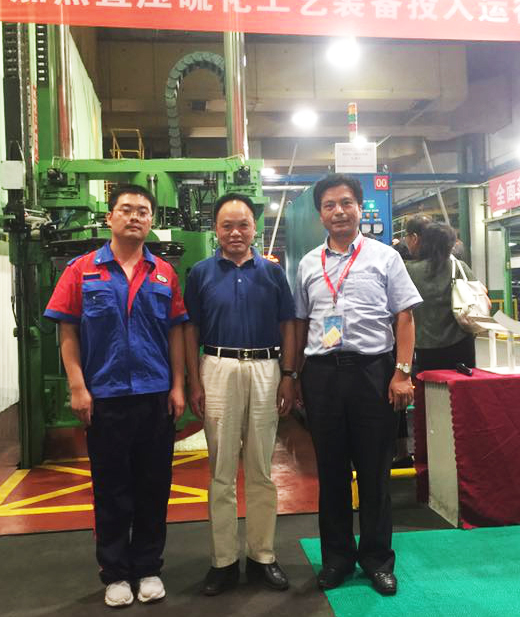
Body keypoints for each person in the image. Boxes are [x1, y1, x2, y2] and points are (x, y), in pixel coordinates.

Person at [44, 184, 187, 608]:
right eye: (126, 209)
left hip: (154, 396)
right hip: (104, 397)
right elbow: (67, 330)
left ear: (151, 220)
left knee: (153, 487)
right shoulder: (82, 270)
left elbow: (176, 333)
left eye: (143, 211)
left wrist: (178, 385)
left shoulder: (164, 273)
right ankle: (116, 573)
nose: (135, 216)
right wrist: (77, 386)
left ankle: (148, 568)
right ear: (110, 217)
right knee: (111, 489)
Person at [294, 174, 422, 595]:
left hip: (373, 373)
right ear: (320, 214)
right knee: (330, 472)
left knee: (374, 472)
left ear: (359, 208)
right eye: (330, 205)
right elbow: (301, 323)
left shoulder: (385, 257)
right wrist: (294, 377)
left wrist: (402, 372)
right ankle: (336, 560)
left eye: (346, 203)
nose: (339, 211)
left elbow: (405, 317)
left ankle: (377, 560)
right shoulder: (308, 264)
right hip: (322, 375)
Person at [184, 193, 296, 596]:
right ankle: (223, 561)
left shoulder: (273, 273)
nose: (235, 232)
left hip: (266, 368)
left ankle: (263, 555)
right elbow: (191, 329)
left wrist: (288, 375)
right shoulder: (200, 273)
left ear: (254, 228)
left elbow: (288, 325)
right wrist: (194, 381)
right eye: (227, 225)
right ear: (215, 229)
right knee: (221, 470)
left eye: (243, 224)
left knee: (262, 469)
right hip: (217, 367)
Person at [405, 221, 477, 372]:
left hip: (422, 347)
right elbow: (477, 295)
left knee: (426, 385)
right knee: (461, 385)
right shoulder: (459, 267)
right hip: (460, 344)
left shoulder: (409, 270)